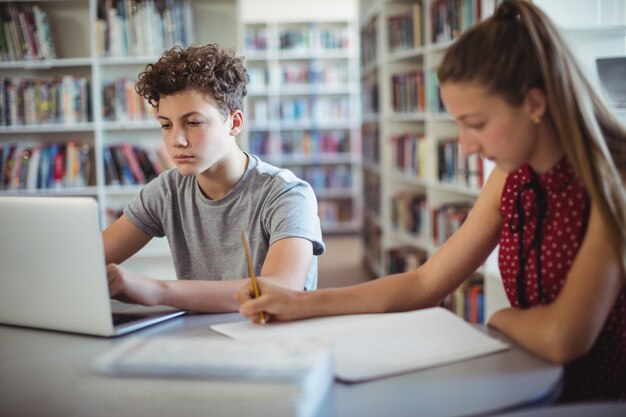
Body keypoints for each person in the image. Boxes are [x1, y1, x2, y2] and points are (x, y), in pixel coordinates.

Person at [236, 0, 626, 402]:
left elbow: (563, 338)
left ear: (534, 104)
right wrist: (301, 303)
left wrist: (500, 318)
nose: (466, 146)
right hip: (527, 381)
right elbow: (424, 282)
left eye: (476, 124)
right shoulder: (511, 176)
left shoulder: (614, 181)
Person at [103, 44, 324, 313]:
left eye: (193, 123)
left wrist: (157, 291)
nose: (176, 141)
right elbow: (90, 259)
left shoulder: (287, 194)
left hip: (271, 343)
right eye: (166, 125)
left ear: (234, 122)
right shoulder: (166, 191)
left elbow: (280, 289)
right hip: (197, 339)